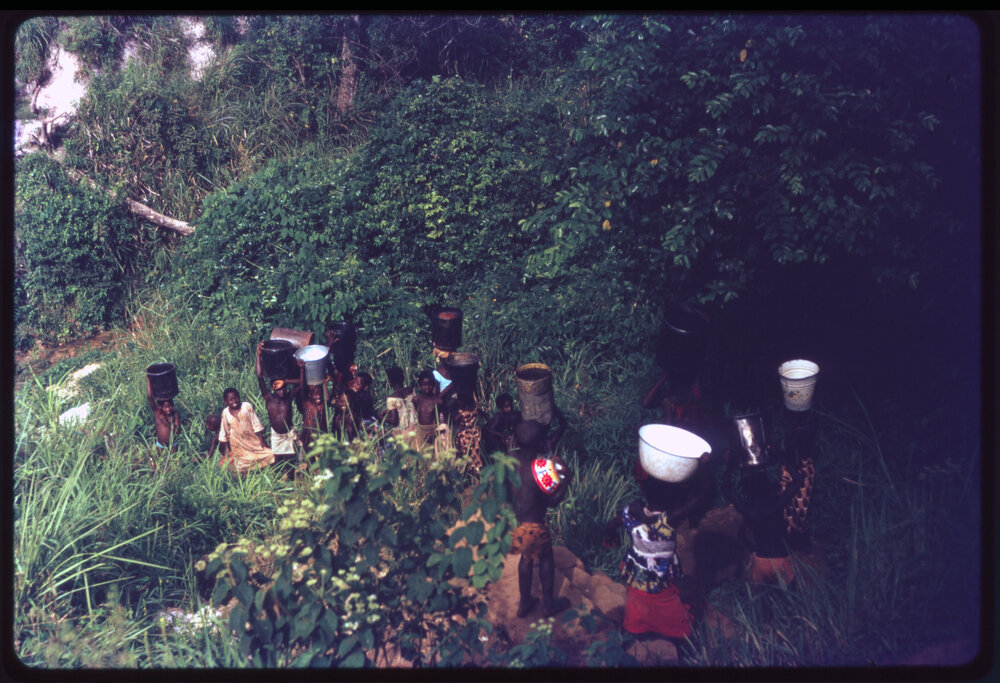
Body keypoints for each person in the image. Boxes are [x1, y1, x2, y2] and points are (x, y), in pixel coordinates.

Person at [614, 468, 697, 643]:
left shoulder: (630, 512)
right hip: (661, 594)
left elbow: (612, 524)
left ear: (644, 490)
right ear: (674, 498)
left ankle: (630, 636)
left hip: (636, 589)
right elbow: (696, 500)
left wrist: (609, 535)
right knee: (684, 633)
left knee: (634, 623)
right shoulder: (669, 521)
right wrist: (703, 467)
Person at [508, 420, 573, 618]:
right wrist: (566, 479)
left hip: (516, 524)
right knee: (546, 557)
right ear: (540, 444)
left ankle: (524, 602)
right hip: (535, 527)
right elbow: (552, 502)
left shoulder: (510, 460)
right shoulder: (539, 469)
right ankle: (549, 603)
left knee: (525, 559)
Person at [723, 461, 803, 585]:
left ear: (747, 489)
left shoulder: (747, 508)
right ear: (766, 485)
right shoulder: (776, 504)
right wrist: (783, 457)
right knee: (790, 599)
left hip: (761, 560)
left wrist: (729, 464)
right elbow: (798, 481)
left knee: (766, 600)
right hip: (780, 557)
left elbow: (727, 490)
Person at [256, 343, 300, 469]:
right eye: (279, 390)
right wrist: (258, 355)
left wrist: (285, 381)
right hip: (276, 434)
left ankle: (290, 476)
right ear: (273, 389)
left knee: (290, 460)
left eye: (284, 389)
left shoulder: (288, 397)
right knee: (277, 461)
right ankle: (279, 478)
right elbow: (259, 376)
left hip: (288, 433)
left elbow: (301, 384)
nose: (283, 392)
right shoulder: (268, 398)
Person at [217, 388, 275, 474]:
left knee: (270, 454)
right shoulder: (225, 412)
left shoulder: (246, 406)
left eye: (236, 398)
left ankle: (268, 471)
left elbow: (256, 423)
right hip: (237, 444)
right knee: (240, 462)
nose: (234, 401)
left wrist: (262, 441)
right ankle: (247, 473)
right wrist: (225, 448)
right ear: (226, 402)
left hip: (252, 441)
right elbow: (224, 430)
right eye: (231, 399)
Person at [412, 369, 451, 455]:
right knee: (423, 455)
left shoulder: (438, 401)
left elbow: (444, 418)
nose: (427, 387)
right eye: (424, 385)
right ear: (420, 385)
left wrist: (436, 432)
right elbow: (417, 414)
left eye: (429, 384)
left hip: (434, 430)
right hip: (421, 431)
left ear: (433, 385)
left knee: (435, 455)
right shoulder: (416, 399)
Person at [146, 375, 181, 454]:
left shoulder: (175, 414)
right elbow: (150, 398)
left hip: (173, 445)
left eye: (170, 406)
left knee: (174, 464)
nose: (168, 409)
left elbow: (178, 431)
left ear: (173, 405)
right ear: (160, 407)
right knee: (161, 463)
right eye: (165, 407)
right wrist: (149, 380)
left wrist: (166, 422)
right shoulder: (157, 413)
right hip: (161, 445)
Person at [452, 393, 483, 471]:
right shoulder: (475, 409)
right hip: (475, 434)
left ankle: (471, 471)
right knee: (474, 453)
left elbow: (454, 420)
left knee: (468, 453)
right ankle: (475, 471)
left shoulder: (461, 413)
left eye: (459, 400)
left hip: (466, 435)